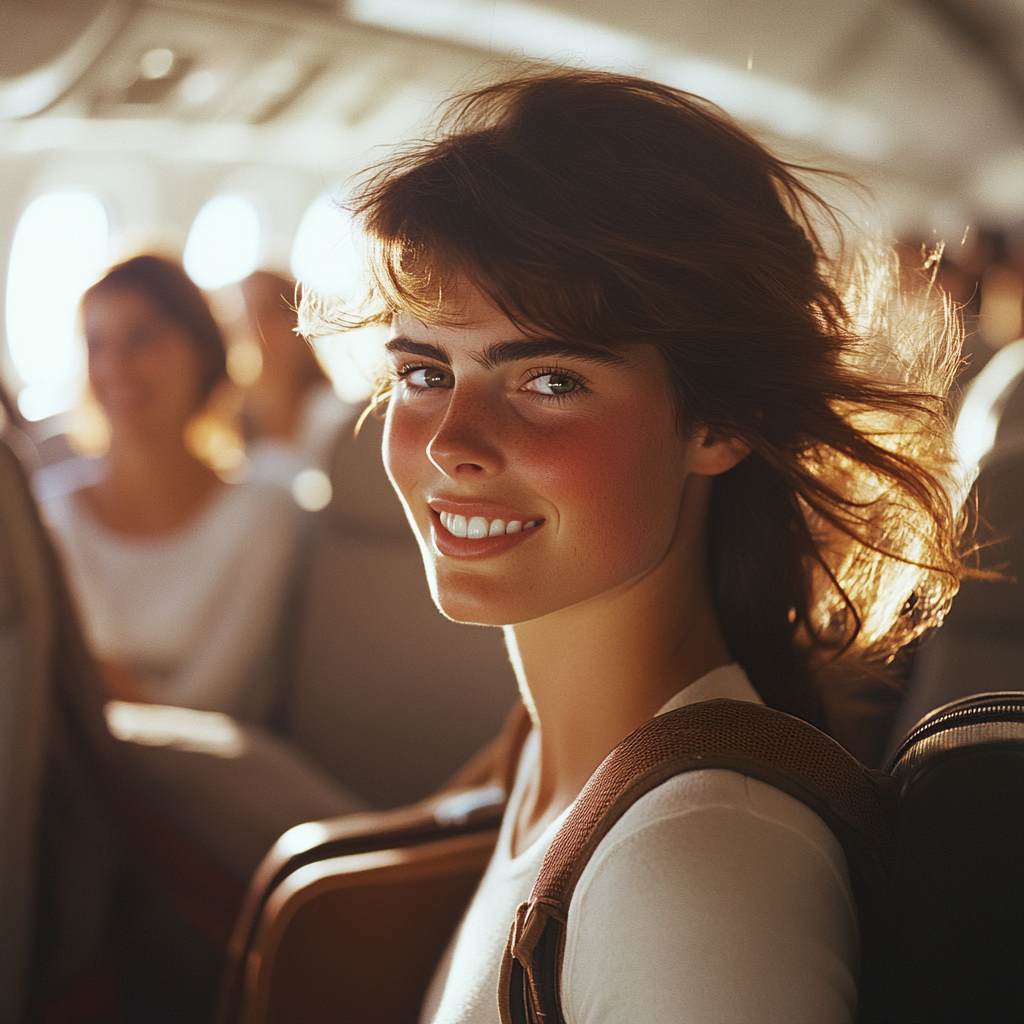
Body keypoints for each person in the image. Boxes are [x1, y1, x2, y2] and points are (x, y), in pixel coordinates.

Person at [311, 68, 966, 1023]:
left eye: (549, 381)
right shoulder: (548, 761)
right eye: (424, 371)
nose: (451, 443)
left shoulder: (700, 867)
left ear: (720, 421)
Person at [42, 254, 301, 720]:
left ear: (202, 352)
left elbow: (213, 710)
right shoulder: (46, 512)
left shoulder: (265, 515)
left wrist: (79, 678)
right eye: (97, 344)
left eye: (143, 339)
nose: (116, 366)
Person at [239, 270, 352, 490]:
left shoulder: (332, 416)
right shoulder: (234, 420)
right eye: (243, 315)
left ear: (297, 322)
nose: (254, 329)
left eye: (266, 314)